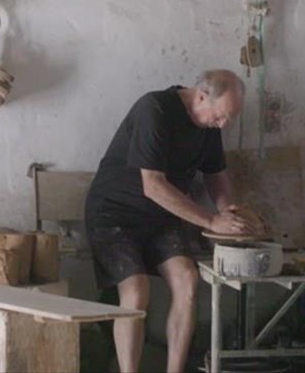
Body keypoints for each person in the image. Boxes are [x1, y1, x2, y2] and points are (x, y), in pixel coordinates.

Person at [84, 69, 253, 373]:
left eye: (228, 119)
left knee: (187, 279)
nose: (223, 125)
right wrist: (212, 221)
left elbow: (215, 176)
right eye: (220, 116)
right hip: (113, 214)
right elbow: (153, 186)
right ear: (201, 96)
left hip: (161, 216)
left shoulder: (209, 126)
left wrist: (228, 211)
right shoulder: (155, 110)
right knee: (136, 291)